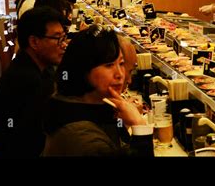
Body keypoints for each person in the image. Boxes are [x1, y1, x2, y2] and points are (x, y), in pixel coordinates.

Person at [42, 26, 154, 156]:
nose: (120, 74)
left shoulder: (86, 103)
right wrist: (139, 125)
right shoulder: (82, 138)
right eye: (109, 65)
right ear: (83, 70)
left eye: (121, 63)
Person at [0, 7, 68, 157]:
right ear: (34, 42)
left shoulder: (39, 66)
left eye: (64, 37)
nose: (64, 44)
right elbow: (34, 138)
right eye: (58, 38)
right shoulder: (27, 79)